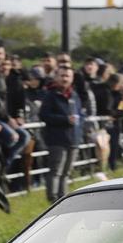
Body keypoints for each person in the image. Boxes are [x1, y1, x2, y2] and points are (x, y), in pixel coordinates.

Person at [38, 64, 82, 202]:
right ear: (56, 77)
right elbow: (44, 115)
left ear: (72, 78)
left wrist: (79, 122)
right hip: (57, 139)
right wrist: (65, 120)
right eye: (62, 75)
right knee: (56, 170)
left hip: (73, 138)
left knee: (66, 172)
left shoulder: (74, 95)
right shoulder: (50, 95)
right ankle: (52, 198)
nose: (65, 79)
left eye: (67, 76)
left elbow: (80, 113)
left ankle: (63, 198)